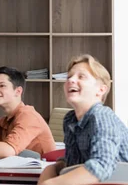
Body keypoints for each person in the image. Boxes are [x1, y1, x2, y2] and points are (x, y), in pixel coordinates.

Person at [38, 54, 128, 185]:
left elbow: (102, 165)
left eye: (81, 76)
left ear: (100, 90)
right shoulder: (70, 120)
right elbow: (72, 164)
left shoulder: (102, 115)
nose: (71, 80)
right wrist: (53, 168)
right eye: (69, 77)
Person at [0, 66, 55, 159]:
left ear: (18, 91)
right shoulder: (1, 123)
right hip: (16, 171)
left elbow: (8, 150)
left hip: (42, 172)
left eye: (2, 85)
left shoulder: (29, 116)